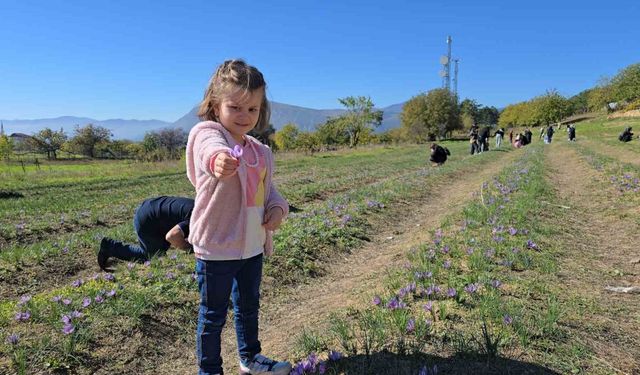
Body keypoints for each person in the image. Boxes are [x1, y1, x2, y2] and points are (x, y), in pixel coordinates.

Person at [186, 59, 291, 375]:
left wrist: (276, 208)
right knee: (213, 314)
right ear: (216, 106)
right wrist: (218, 160)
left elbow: (268, 190)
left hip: (251, 246)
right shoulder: (208, 133)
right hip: (218, 246)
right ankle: (210, 370)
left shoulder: (260, 151)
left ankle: (250, 358)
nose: (245, 116)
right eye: (235, 107)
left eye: (253, 109)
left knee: (248, 308)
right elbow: (208, 149)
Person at [98, 196, 194, 270]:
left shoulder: (203, 208)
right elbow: (172, 237)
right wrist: (192, 249)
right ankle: (109, 247)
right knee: (152, 256)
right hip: (148, 220)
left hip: (153, 208)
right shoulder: (200, 219)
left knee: (162, 250)